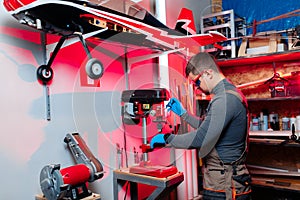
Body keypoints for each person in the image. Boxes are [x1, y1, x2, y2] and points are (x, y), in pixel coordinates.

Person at [150, 52, 252, 200]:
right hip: (222, 182)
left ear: (208, 73)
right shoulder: (227, 94)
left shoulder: (225, 99)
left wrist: (167, 138)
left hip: (226, 187)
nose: (197, 88)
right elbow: (209, 127)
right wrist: (184, 114)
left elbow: (201, 137)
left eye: (197, 82)